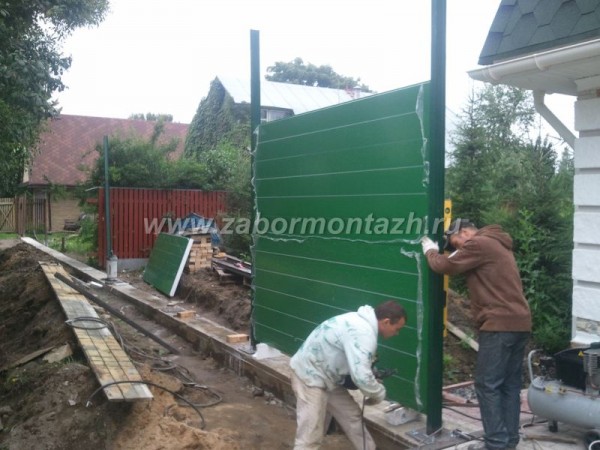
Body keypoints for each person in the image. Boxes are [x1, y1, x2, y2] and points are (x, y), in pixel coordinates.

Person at [421, 219, 531, 450]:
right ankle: (508, 441)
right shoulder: (497, 243)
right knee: (509, 386)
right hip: (519, 323)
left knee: (487, 385)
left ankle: (496, 444)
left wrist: (430, 250)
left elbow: (444, 266)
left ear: (464, 232)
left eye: (455, 242)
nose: (458, 248)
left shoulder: (480, 243)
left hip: (499, 324)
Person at [289, 300, 407, 450]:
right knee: (310, 435)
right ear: (386, 322)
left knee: (352, 416)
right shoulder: (363, 333)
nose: (397, 333)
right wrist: (378, 393)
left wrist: (369, 378)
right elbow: (361, 378)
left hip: (328, 376)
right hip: (309, 376)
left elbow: (356, 367)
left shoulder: (359, 321)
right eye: (397, 329)